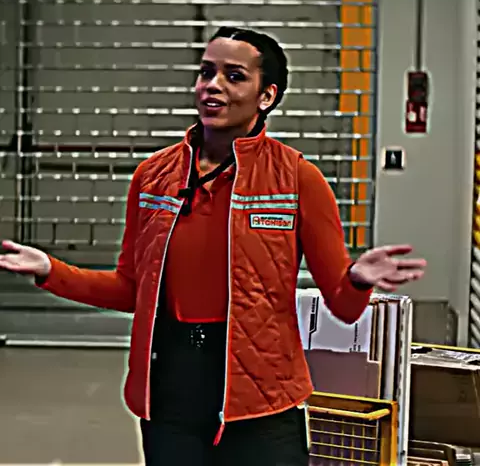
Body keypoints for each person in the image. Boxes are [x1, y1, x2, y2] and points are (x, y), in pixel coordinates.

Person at [0, 27, 426, 466]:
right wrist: (50, 270)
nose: (212, 86)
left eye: (234, 76)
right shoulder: (153, 177)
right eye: (206, 72)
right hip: (171, 390)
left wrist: (357, 279)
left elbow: (344, 306)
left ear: (267, 96)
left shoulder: (298, 178)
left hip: (263, 397)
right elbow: (132, 290)